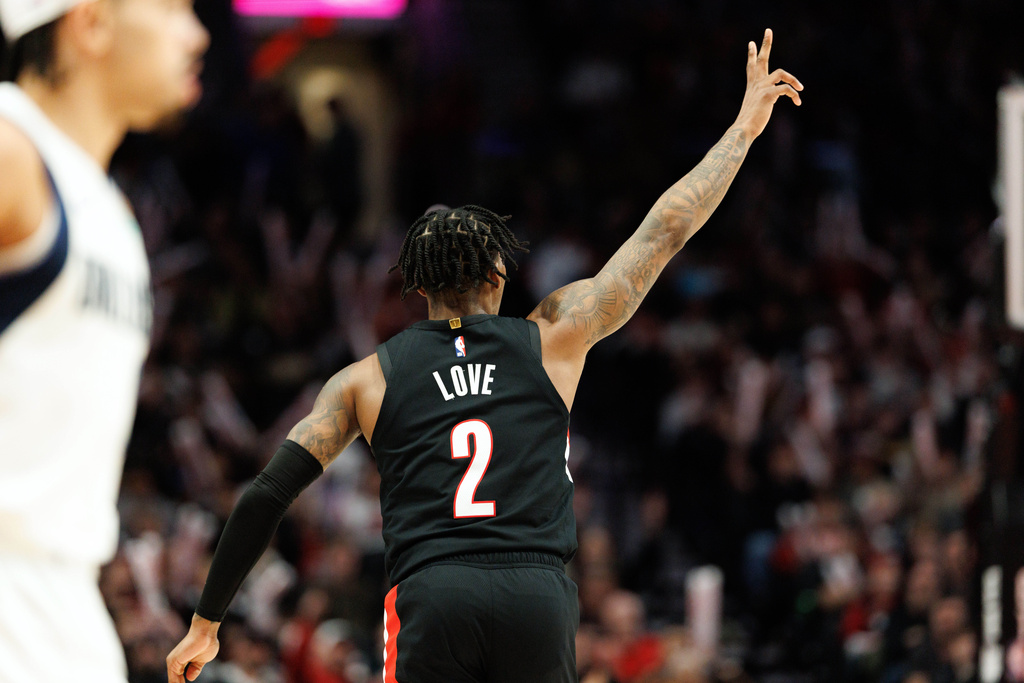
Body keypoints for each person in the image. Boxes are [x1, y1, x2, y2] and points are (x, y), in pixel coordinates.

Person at [167, 28, 802, 683]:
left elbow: (266, 494)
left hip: (433, 593)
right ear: (500, 272)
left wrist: (207, 621)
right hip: (535, 594)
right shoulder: (555, 334)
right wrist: (743, 131)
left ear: (415, 288)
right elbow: (666, 228)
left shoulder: (367, 378)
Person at [0, 2, 208, 681]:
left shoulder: (103, 201)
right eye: (175, 8)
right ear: (91, 24)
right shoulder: (10, 151)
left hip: (64, 604)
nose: (197, 34)